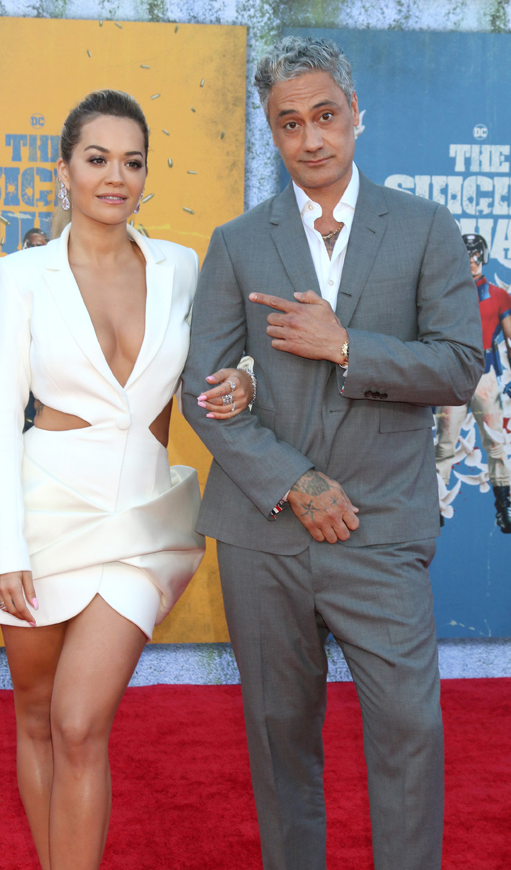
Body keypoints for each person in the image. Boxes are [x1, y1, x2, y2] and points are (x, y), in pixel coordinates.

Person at [182, 37, 483, 870]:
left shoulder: (425, 227)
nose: (311, 139)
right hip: (264, 531)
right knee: (281, 742)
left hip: (381, 530)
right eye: (289, 124)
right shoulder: (238, 242)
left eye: (325, 117)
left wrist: (349, 346)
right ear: (271, 134)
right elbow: (201, 393)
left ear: (356, 116)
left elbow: (462, 366)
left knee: (411, 731)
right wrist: (294, 480)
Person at [0, 89, 253, 870]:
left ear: (146, 175)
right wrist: (2, 547)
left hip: (139, 524)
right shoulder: (22, 275)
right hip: (38, 509)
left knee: (80, 723)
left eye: (132, 161)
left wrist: (244, 380)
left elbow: (216, 367)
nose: (114, 176)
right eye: (97, 159)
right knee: (36, 714)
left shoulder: (181, 268)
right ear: (65, 171)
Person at [435, 232, 511, 532]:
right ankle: (433, 507)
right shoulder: (444, 294)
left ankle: (504, 505)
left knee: (494, 443)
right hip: (453, 375)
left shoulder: (498, 295)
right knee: (444, 447)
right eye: (468, 256)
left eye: (477, 256)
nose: (473, 262)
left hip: (485, 376)